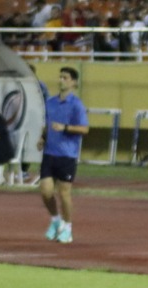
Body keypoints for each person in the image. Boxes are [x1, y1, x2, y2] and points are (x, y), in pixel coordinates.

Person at [39, 66, 89, 244]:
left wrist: (65, 128)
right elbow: (47, 124)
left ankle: (67, 227)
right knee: (45, 191)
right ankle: (55, 220)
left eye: (65, 77)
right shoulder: (50, 102)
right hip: (49, 153)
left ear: (73, 82)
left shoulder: (76, 105)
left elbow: (84, 129)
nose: (61, 80)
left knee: (64, 193)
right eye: (60, 77)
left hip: (67, 155)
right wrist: (43, 138)